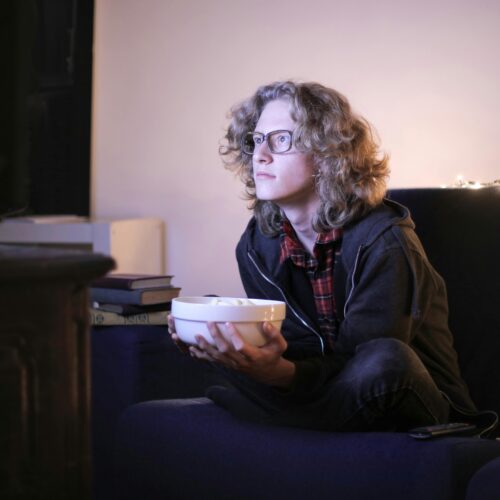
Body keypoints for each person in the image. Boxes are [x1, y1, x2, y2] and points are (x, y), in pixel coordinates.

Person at [168, 80, 477, 432]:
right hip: (318, 388)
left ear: (327, 154)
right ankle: (301, 417)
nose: (260, 155)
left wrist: (279, 374)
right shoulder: (256, 246)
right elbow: (295, 349)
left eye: (280, 140)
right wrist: (249, 354)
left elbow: (361, 364)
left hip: (414, 400)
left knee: (386, 360)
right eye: (256, 140)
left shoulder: (385, 242)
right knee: (213, 324)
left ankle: (281, 417)